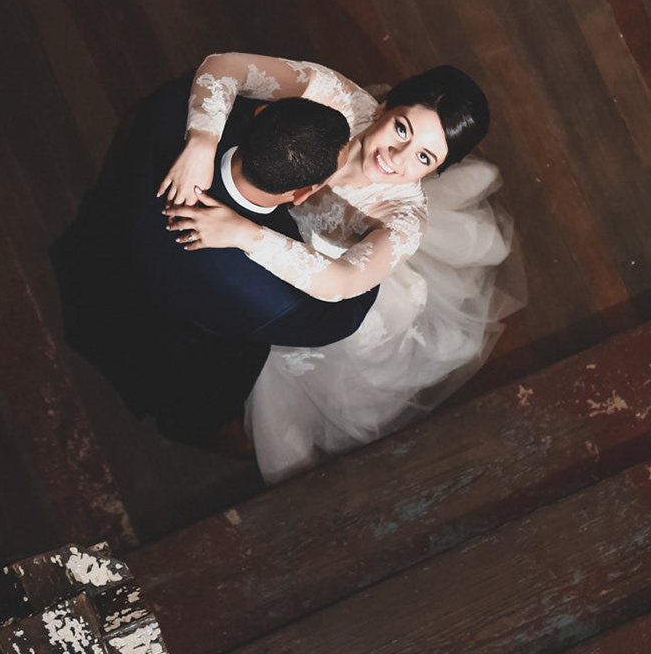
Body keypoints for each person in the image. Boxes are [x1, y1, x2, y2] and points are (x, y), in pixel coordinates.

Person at [162, 53, 523, 481]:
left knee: (274, 353)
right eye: (401, 129)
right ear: (384, 107)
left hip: (310, 273)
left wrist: (244, 234)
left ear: (438, 170)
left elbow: (343, 281)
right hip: (266, 201)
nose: (396, 158)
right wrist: (201, 142)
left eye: (424, 159)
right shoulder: (340, 98)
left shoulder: (403, 219)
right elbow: (224, 66)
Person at [50, 72, 378, 454]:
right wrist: (382, 236)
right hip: (176, 351)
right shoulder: (279, 297)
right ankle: (191, 430)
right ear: (304, 192)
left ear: (260, 113)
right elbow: (346, 312)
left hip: (103, 249)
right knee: (200, 399)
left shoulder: (183, 103)